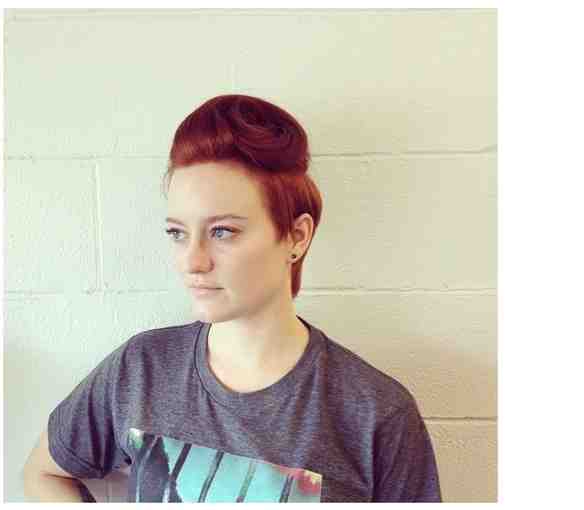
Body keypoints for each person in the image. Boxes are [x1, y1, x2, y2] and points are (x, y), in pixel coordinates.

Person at [22, 94, 442, 502]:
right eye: (178, 233)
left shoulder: (375, 413)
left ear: (296, 237)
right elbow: (43, 474)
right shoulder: (142, 368)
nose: (193, 261)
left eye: (222, 231)